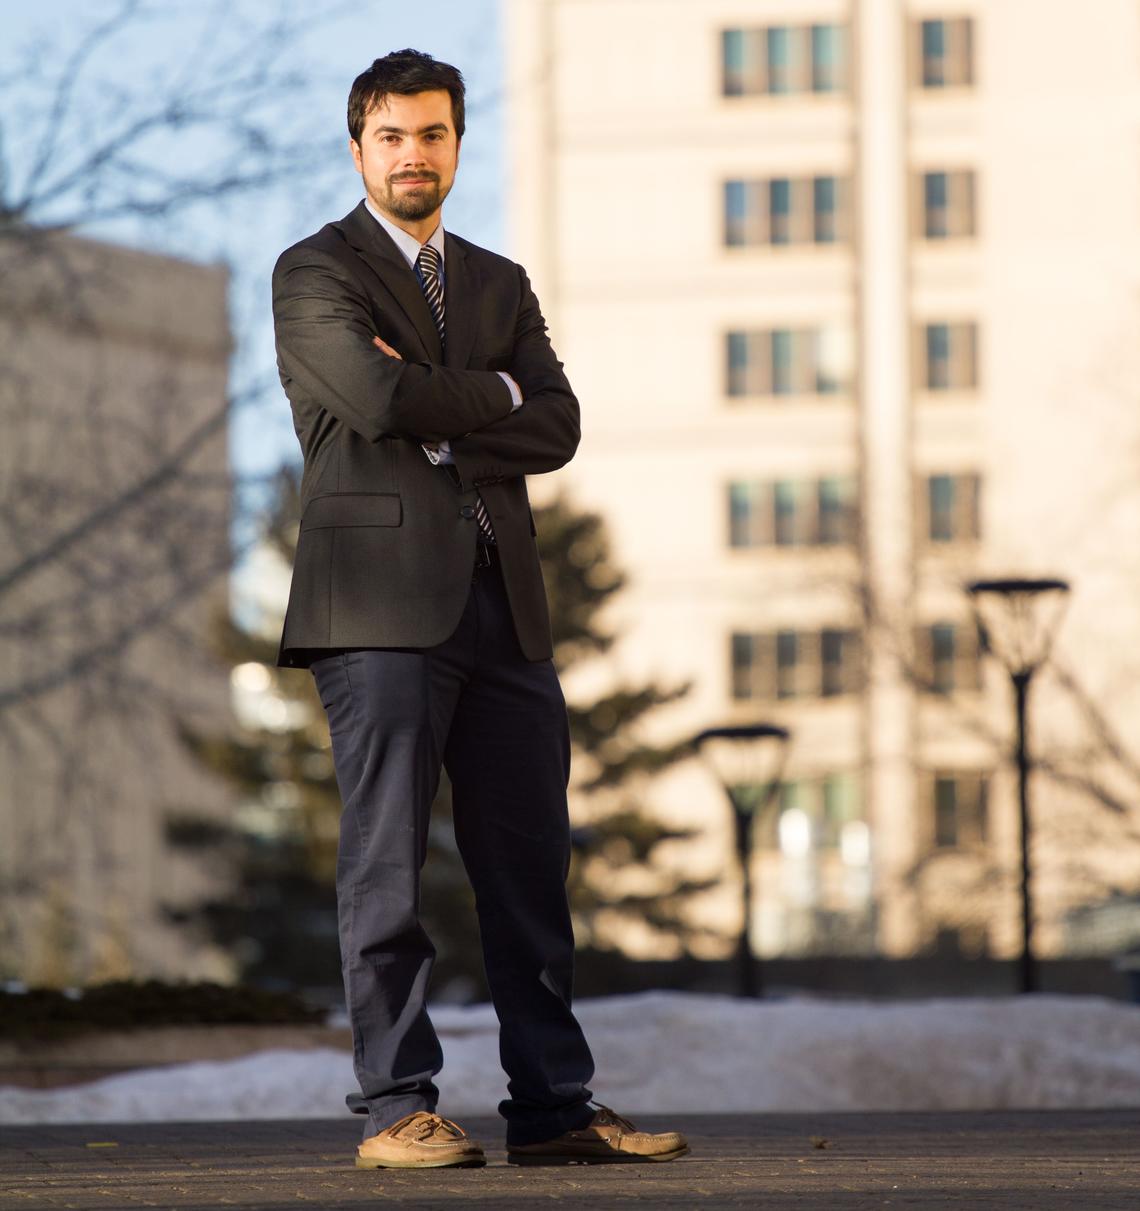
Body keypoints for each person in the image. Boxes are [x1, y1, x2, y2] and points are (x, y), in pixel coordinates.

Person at [271, 49, 689, 1170]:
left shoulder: (499, 281)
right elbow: (372, 394)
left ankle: (554, 1106)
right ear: (359, 147)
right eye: (394, 136)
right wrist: (484, 392)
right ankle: (396, 1104)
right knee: (388, 866)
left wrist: (459, 403)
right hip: (378, 607)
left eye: (435, 134)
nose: (416, 154)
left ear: (460, 143)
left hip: (506, 604)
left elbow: (555, 423)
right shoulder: (316, 272)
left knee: (528, 864)